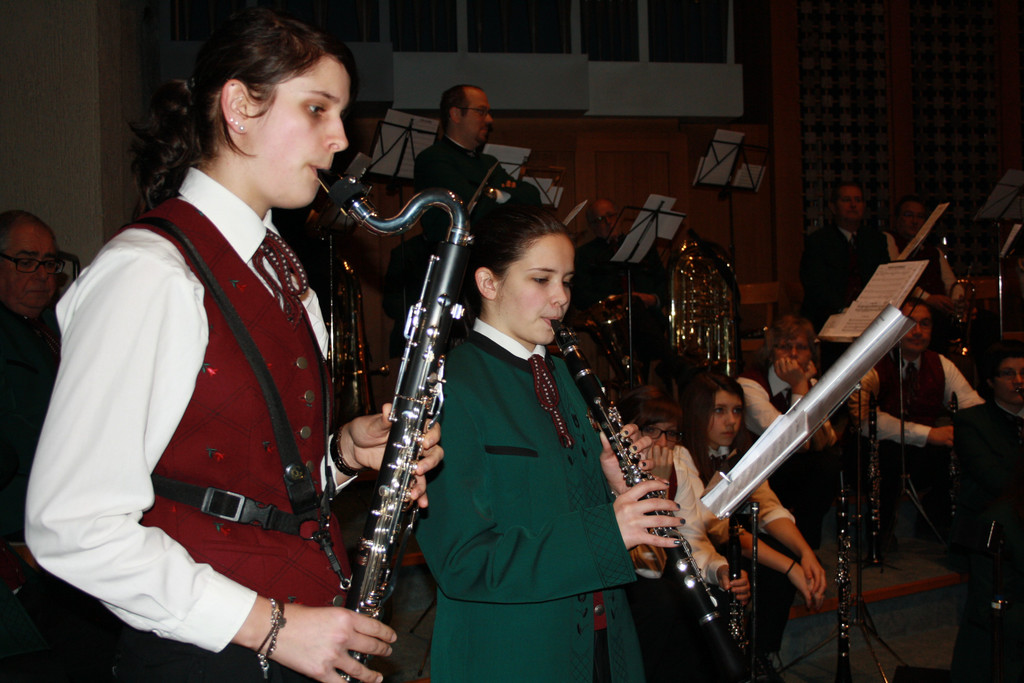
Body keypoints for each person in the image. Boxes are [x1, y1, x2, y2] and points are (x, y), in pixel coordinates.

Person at [24, 9, 442, 683]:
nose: (340, 139)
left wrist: (342, 454)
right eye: (317, 109)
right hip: (205, 656)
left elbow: (239, 476)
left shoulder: (282, 269)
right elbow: (71, 525)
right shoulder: (149, 272)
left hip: (294, 626)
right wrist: (271, 625)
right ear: (240, 107)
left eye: (340, 114)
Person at [414, 205, 681, 683]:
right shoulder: (449, 386)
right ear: (488, 283)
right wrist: (608, 531)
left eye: (567, 281)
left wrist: (614, 487)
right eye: (541, 279)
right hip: (513, 653)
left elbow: (564, 503)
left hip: (606, 636)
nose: (561, 298)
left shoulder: (567, 375)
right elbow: (461, 561)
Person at [674, 372, 826, 667]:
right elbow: (717, 530)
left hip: (725, 542)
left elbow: (768, 507)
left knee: (784, 558)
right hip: (697, 551)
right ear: (697, 413)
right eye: (719, 411)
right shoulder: (682, 455)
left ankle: (760, 654)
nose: (731, 421)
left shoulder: (740, 451)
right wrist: (790, 567)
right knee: (775, 568)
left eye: (736, 411)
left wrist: (805, 552)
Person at [383, 83, 542, 356]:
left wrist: (493, 194)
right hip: (452, 274)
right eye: (481, 111)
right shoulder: (434, 159)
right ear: (456, 114)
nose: (489, 120)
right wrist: (503, 195)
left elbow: (532, 197)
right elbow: (468, 210)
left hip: (484, 268)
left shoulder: (488, 162)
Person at [616, 384, 749, 683]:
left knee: (718, 596)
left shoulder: (678, 459)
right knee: (663, 600)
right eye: (652, 430)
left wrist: (718, 569)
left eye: (671, 433)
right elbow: (648, 567)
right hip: (626, 576)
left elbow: (692, 535)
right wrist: (658, 484)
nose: (663, 442)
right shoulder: (614, 465)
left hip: (663, 567)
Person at [848, 299, 983, 548]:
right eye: (909, 324)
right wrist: (928, 434)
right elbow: (865, 420)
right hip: (873, 452)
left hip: (921, 456)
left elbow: (973, 407)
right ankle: (879, 532)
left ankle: (940, 520)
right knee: (888, 453)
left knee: (960, 447)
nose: (917, 331)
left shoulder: (940, 364)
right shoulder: (873, 364)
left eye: (925, 324)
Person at [950, 341, 1024, 682]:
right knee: (994, 612)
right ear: (991, 381)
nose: (1019, 381)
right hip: (989, 529)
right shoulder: (971, 421)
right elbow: (992, 478)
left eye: (1023, 373)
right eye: (1008, 374)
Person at [738, 315, 841, 549]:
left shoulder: (808, 382)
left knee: (828, 463)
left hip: (795, 469)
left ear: (811, 354)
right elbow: (794, 443)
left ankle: (808, 546)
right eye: (785, 346)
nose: (793, 354)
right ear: (771, 352)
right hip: (762, 473)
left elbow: (827, 439)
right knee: (817, 464)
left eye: (801, 347)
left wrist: (803, 387)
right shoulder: (750, 385)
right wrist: (799, 386)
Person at [800, 182, 889, 333]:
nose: (853, 205)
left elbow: (885, 278)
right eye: (846, 200)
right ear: (833, 207)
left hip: (870, 316)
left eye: (858, 200)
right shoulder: (818, 241)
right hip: (828, 315)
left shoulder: (876, 240)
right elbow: (815, 285)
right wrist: (844, 310)